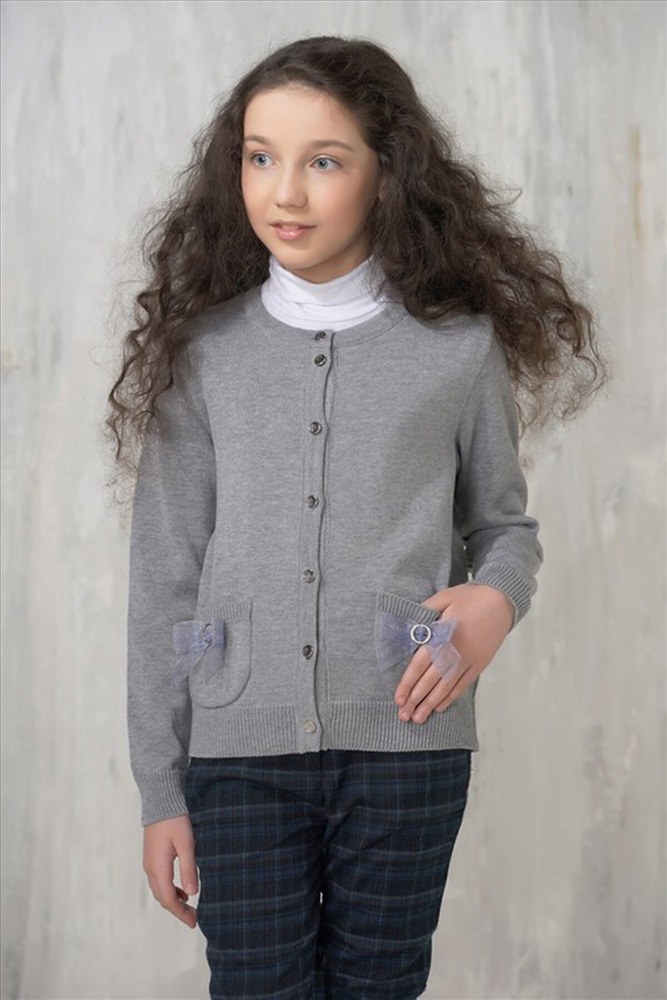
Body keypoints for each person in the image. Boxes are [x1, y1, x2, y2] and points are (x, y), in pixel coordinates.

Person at [106, 35, 608, 1000]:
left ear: (387, 175)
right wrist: (160, 789)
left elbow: (504, 528)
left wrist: (494, 602)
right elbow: (165, 575)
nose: (284, 193)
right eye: (260, 157)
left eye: (324, 162)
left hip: (408, 742)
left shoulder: (455, 349)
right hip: (237, 752)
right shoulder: (203, 355)